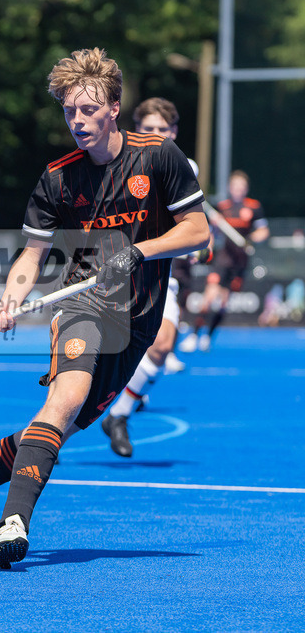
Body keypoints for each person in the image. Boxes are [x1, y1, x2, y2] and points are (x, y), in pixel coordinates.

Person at [0, 49, 209, 569]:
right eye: (68, 112)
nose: (77, 122)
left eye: (87, 111)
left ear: (113, 107)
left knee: (52, 429)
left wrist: (139, 250)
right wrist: (10, 300)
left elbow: (197, 231)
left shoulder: (159, 158)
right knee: (62, 406)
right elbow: (31, 256)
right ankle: (11, 526)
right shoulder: (58, 178)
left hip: (140, 320)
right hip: (83, 304)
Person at [99, 97, 212, 457]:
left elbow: (192, 223)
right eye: (148, 130)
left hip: (162, 273)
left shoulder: (183, 166)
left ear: (174, 133)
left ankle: (117, 415)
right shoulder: (117, 165)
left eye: (163, 130)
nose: (156, 136)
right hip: (118, 272)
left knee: (163, 345)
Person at [180, 170, 269, 352]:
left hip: (240, 263)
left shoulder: (254, 207)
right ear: (230, 188)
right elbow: (211, 234)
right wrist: (208, 248)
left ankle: (208, 337)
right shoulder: (221, 208)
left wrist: (250, 239)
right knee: (209, 297)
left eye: (241, 187)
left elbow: (263, 231)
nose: (238, 190)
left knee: (223, 303)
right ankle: (194, 334)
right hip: (223, 259)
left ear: (246, 189)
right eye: (235, 186)